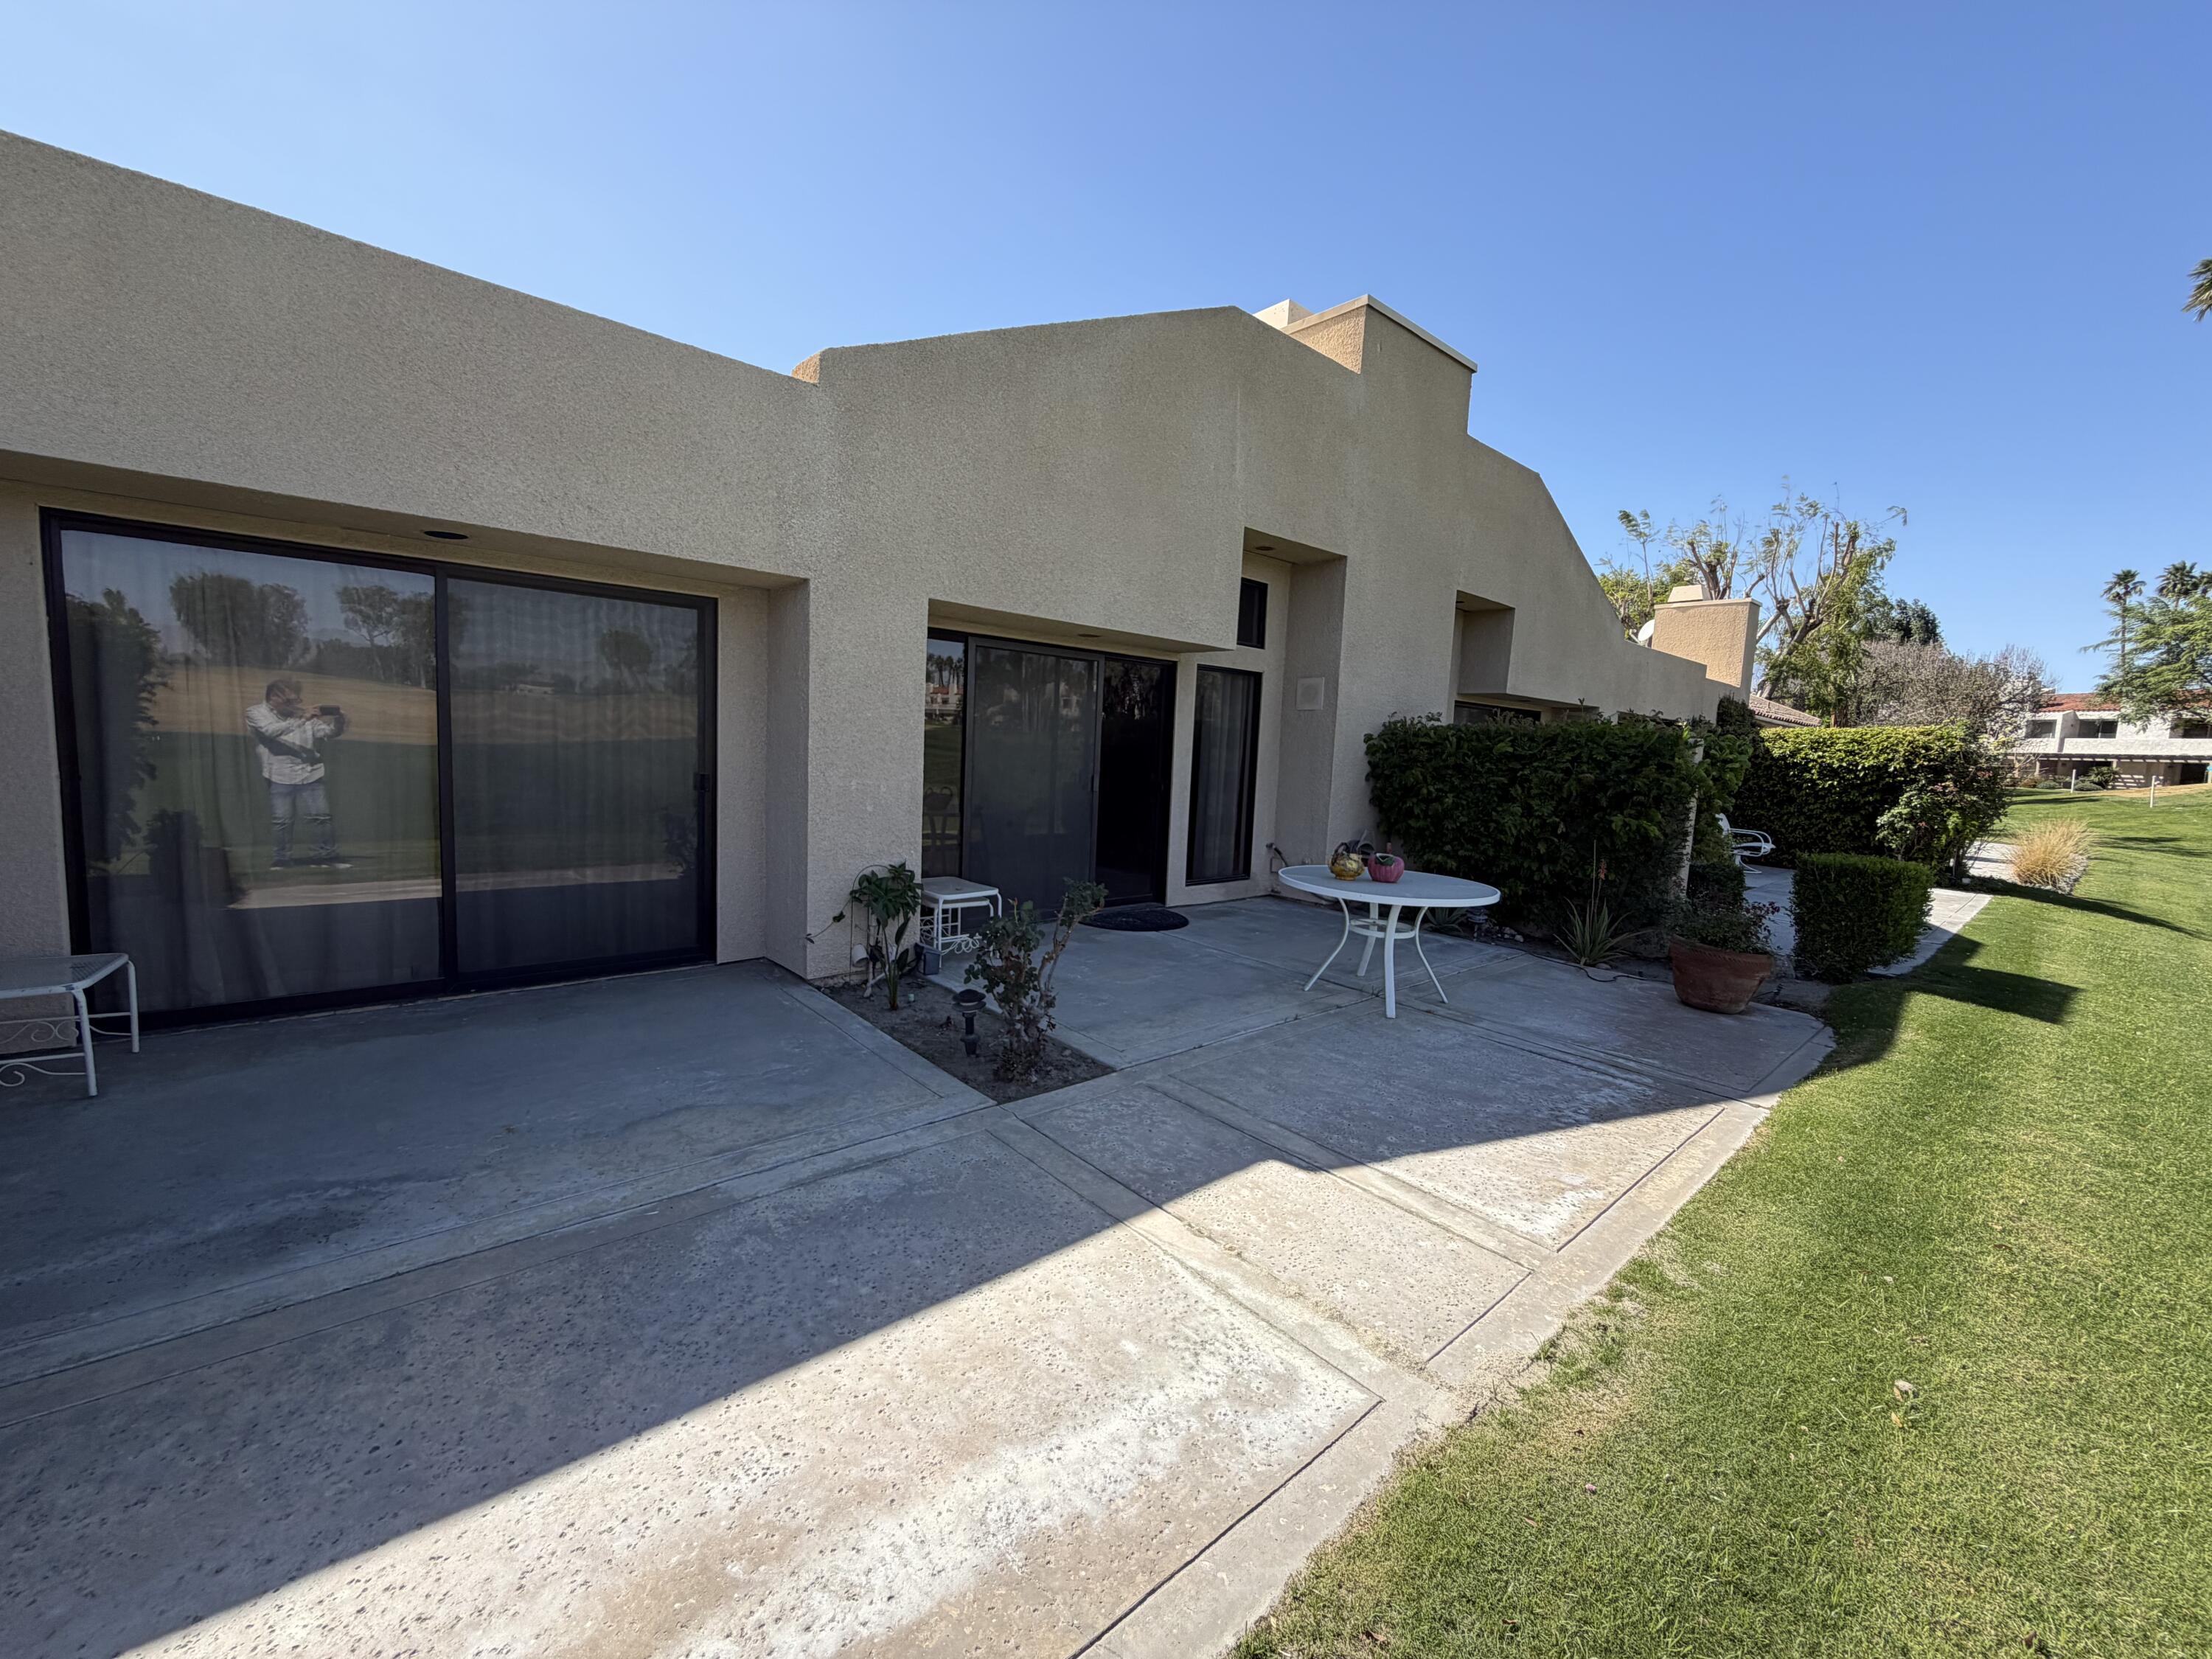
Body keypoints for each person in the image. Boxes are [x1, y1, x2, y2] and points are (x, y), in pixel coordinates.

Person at [246, 679, 349, 868]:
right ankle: (282, 859)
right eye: (289, 700)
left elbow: (328, 733)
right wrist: (303, 719)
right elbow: (270, 732)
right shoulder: (255, 712)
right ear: (273, 697)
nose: (295, 704)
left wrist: (339, 719)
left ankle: (325, 857)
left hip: (311, 771)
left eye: (296, 700)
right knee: (282, 820)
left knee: (321, 817)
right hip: (279, 773)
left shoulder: (302, 715)